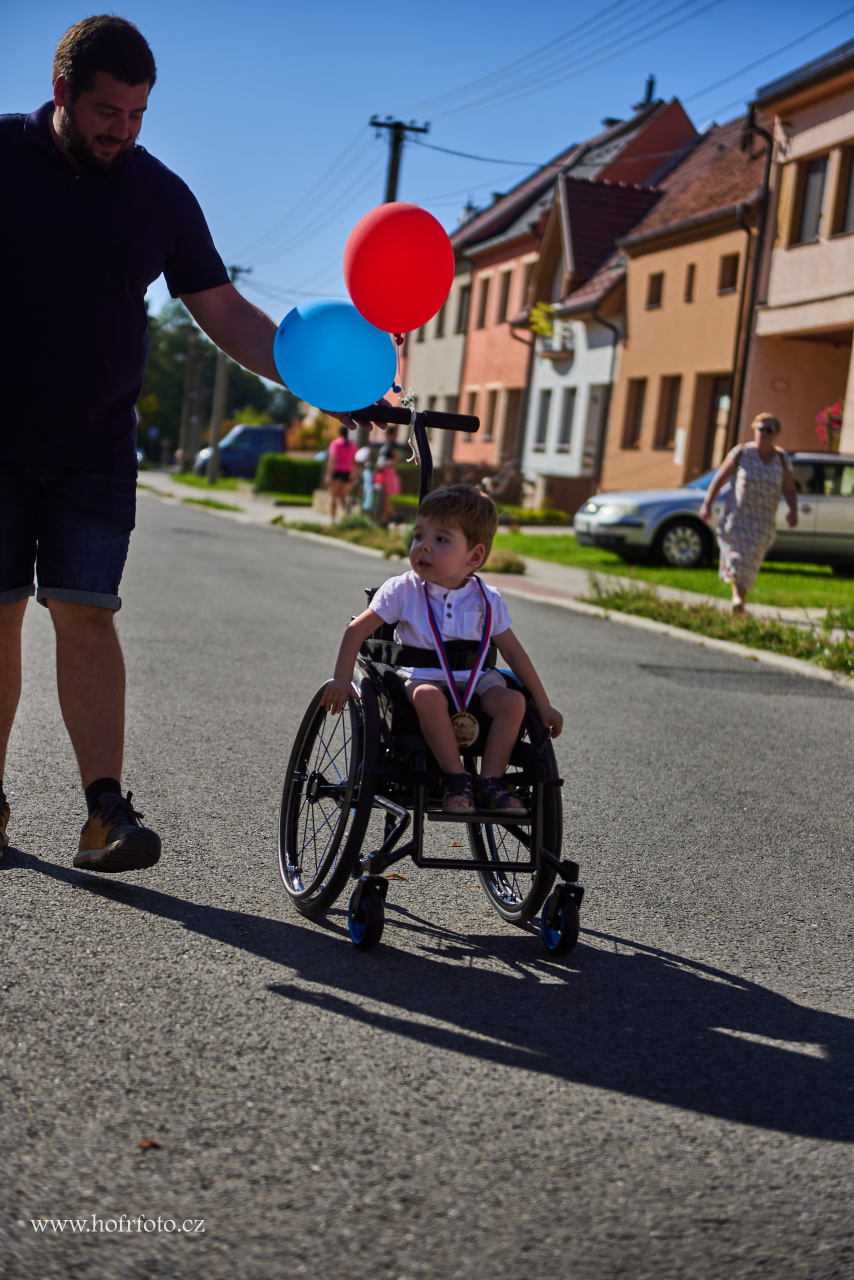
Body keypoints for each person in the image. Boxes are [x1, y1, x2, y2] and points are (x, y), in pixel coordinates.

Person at [0, 16, 286, 870]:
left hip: (94, 448)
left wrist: (321, 382)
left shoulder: (160, 194)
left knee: (88, 615)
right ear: (62, 95)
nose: (121, 131)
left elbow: (225, 312)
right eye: (106, 112)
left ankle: (103, 815)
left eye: (137, 115)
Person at [321, 485, 563, 814]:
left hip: (475, 680)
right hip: (422, 677)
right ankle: (455, 778)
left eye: (441, 539)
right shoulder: (403, 589)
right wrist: (340, 678)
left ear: (474, 557)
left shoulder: (486, 599)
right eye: (418, 535)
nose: (423, 546)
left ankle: (491, 781)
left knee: (513, 701)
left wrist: (544, 705)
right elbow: (357, 630)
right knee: (429, 698)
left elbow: (515, 654)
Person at [699, 413, 798, 613]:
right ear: (754, 429)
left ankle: (739, 598)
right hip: (738, 517)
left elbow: (789, 487)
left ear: (775, 434)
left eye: (768, 429)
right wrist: (708, 503)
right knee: (737, 558)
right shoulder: (741, 452)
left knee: (750, 560)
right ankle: (738, 598)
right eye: (760, 428)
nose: (763, 433)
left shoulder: (782, 458)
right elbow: (720, 478)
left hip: (763, 522)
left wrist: (793, 510)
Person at [326, 425, 358, 521]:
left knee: (333, 496)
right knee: (343, 495)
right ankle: (347, 515)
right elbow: (354, 462)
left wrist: (328, 474)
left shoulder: (335, 444)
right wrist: (354, 475)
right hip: (347, 472)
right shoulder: (352, 445)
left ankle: (332, 518)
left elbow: (333, 459)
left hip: (337, 471)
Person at [375, 427, 404, 525]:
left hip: (388, 472)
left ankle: (395, 517)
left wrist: (385, 465)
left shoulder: (392, 445)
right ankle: (384, 520)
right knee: (384, 497)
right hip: (383, 472)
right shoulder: (387, 444)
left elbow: (396, 460)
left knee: (387, 497)